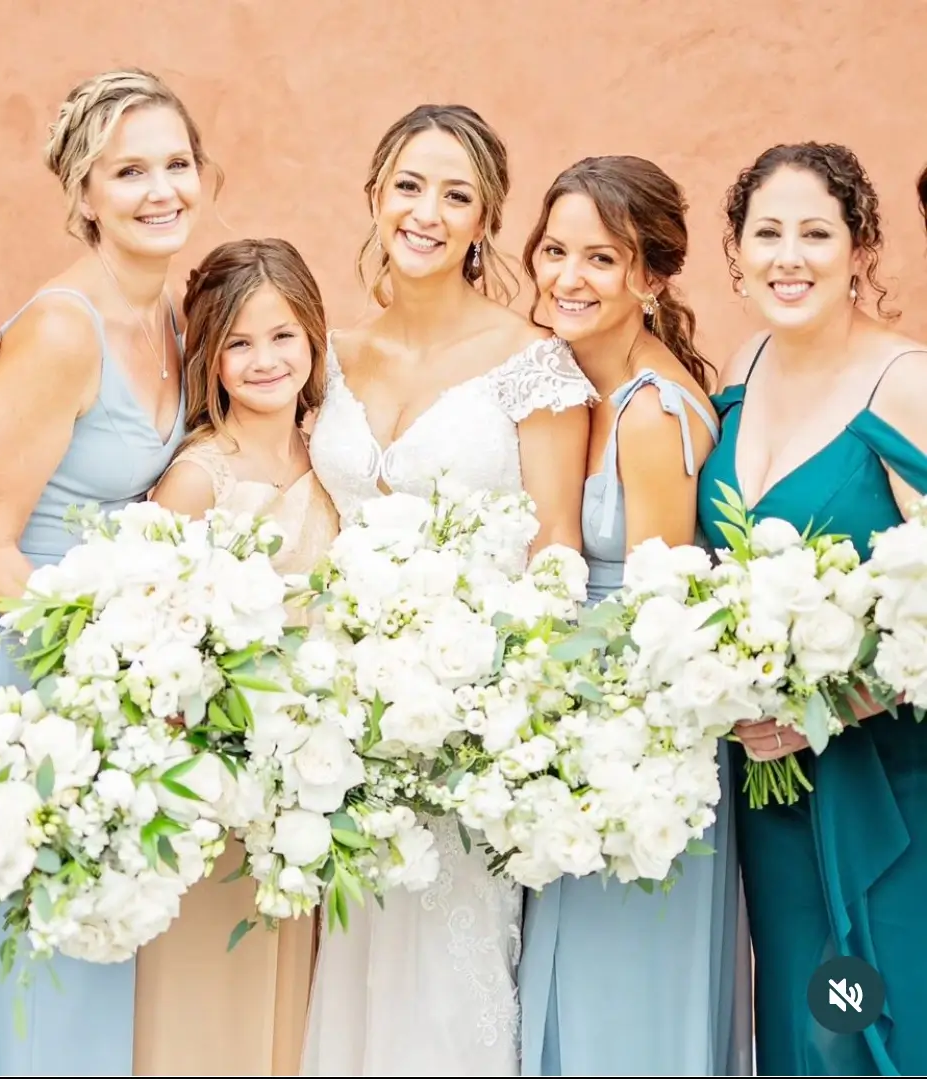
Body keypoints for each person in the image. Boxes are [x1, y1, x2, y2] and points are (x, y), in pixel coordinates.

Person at [302, 103, 595, 1076]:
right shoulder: (327, 354)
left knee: (444, 983)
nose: (427, 211)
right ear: (375, 198)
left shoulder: (531, 363)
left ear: (486, 221)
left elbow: (556, 546)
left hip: (469, 721)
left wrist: (514, 712)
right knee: (354, 972)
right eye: (410, 186)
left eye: (456, 195)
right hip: (339, 727)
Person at [0, 68, 208, 1076]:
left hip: (106, 669)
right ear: (82, 192)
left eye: (176, 164)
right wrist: (87, 661)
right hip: (23, 670)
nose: (159, 190)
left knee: (97, 953)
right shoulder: (64, 328)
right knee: (32, 981)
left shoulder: (176, 318)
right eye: (128, 170)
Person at [515, 155, 752, 1077]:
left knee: (619, 1011)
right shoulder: (564, 375)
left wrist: (581, 753)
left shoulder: (650, 414)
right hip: (575, 727)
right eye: (554, 250)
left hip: (638, 755)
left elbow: (661, 623)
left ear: (649, 277)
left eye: (601, 259)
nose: (567, 277)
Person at [699, 142, 927, 1075]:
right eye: (767, 234)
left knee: (884, 1014)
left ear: (860, 250)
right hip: (771, 790)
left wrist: (827, 704)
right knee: (807, 1017)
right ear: (737, 251)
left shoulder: (905, 383)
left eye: (815, 234)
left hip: (885, 786)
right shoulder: (742, 363)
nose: (788, 258)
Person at [142, 236, 338, 1076]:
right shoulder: (198, 476)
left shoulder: (330, 454)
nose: (265, 360)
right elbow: (153, 632)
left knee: (292, 1009)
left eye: (283, 335)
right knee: (209, 1003)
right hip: (219, 780)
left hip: (313, 777)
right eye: (239, 343)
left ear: (314, 339)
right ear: (208, 355)